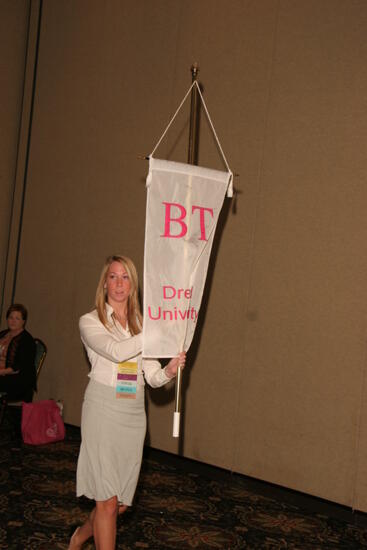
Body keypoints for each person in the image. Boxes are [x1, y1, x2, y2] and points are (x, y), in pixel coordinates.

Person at [69, 255, 186, 550]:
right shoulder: (90, 321)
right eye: (113, 276)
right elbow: (116, 351)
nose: (119, 283)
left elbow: (153, 377)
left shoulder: (140, 324)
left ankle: (80, 536)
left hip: (133, 413)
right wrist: (156, 332)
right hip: (103, 409)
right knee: (107, 502)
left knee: (119, 504)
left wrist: (171, 368)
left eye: (125, 277)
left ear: (133, 284)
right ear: (104, 283)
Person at [0, 303, 36, 401]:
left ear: (23, 321)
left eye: (17, 318)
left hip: (17, 379)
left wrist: (1, 371)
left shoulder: (27, 340)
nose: (13, 321)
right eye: (11, 317)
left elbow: (19, 367)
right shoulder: (3, 334)